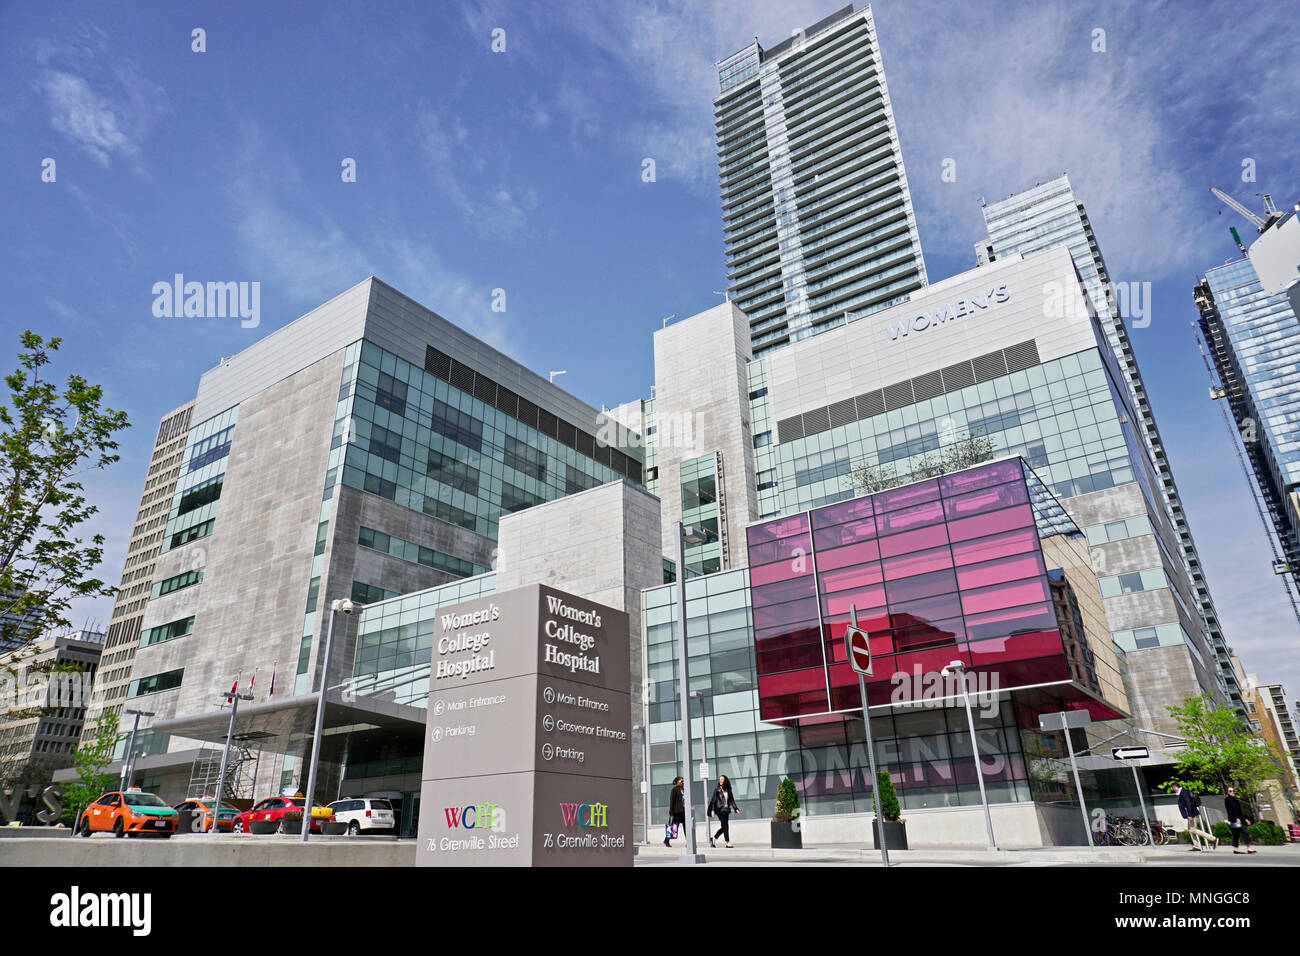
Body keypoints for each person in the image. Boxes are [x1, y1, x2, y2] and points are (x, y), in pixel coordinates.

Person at [1173, 783, 1216, 851]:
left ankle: (1213, 839)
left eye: (1173, 788)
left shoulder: (1184, 792)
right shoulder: (1182, 793)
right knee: (1190, 830)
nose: (1173, 790)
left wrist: (1190, 815)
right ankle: (1196, 846)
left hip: (1191, 814)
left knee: (1193, 829)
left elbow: (1188, 803)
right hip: (1190, 814)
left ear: (1175, 787)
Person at [707, 775, 740, 848]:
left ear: (725, 781)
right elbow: (713, 800)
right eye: (720, 779)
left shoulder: (728, 790)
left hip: (726, 810)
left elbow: (732, 800)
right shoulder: (717, 790)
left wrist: (736, 809)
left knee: (724, 827)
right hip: (719, 810)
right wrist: (712, 811)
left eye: (722, 779)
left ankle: (714, 838)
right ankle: (727, 842)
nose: (720, 780)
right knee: (726, 826)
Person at [1223, 787, 1256, 854]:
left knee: (1245, 832)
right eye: (1230, 791)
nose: (1232, 792)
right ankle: (1236, 849)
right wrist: (1236, 818)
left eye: (1233, 791)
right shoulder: (1227, 800)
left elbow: (1240, 811)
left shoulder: (1236, 800)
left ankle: (1249, 848)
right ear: (1228, 792)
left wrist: (1245, 819)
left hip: (1241, 820)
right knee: (1236, 834)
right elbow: (1229, 811)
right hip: (1234, 820)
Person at [664, 777, 685, 847]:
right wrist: (671, 811)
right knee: (674, 827)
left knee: (686, 827)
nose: (683, 782)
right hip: (677, 812)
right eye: (682, 781)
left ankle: (689, 842)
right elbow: (672, 801)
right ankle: (666, 840)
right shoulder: (674, 790)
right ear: (677, 782)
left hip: (684, 811)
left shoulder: (684, 789)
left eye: (683, 781)